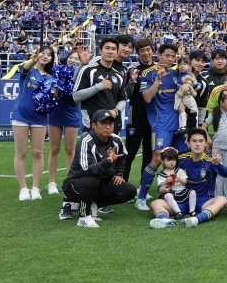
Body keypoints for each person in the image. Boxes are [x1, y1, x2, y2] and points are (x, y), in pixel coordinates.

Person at [59, 109, 137, 228]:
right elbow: (88, 170)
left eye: (110, 124)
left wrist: (119, 174)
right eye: (103, 124)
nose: (108, 127)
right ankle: (84, 216)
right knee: (92, 179)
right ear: (93, 125)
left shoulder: (116, 139)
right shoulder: (86, 141)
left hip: (100, 181)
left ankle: (94, 204)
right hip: (76, 184)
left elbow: (122, 157)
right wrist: (107, 162)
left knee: (130, 190)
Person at [148, 129, 227, 228]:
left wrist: (218, 165)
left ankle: (196, 219)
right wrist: (161, 188)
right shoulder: (180, 159)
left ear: (206, 144)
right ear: (188, 143)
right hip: (181, 200)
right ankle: (165, 220)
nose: (197, 144)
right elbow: (165, 175)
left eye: (201, 141)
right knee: (155, 203)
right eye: (194, 141)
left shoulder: (211, 160)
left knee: (222, 200)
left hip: (203, 201)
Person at [135, 43, 182, 209]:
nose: (170, 59)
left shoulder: (177, 73)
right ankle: (141, 198)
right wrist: (158, 79)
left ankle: (176, 194)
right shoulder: (147, 74)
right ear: (159, 54)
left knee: (181, 159)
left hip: (180, 123)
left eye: (173, 57)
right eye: (167, 55)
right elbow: (147, 98)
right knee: (156, 158)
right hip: (161, 123)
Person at [11, 46, 53, 201]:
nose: (45, 56)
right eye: (43, 53)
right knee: (21, 152)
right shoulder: (28, 71)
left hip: (40, 118)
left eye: (49, 55)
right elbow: (25, 67)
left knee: (38, 152)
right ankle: (23, 188)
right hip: (21, 115)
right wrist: (32, 60)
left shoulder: (49, 78)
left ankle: (35, 187)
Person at [46, 49, 83, 197]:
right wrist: (54, 90)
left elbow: (76, 100)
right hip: (55, 113)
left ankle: (70, 181)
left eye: (76, 58)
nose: (73, 60)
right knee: (54, 149)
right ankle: (51, 182)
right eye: (71, 57)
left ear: (80, 62)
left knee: (71, 150)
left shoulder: (80, 76)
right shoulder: (57, 71)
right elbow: (53, 94)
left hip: (71, 113)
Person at [72, 37, 126, 132]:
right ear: (100, 51)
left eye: (113, 49)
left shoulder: (118, 75)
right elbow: (76, 96)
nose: (110, 51)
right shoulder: (88, 70)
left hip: (112, 126)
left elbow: (122, 99)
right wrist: (99, 86)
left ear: (117, 53)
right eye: (107, 48)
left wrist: (116, 111)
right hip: (92, 126)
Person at [122, 38, 156, 184]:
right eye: (142, 51)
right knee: (129, 153)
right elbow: (126, 94)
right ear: (138, 53)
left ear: (152, 50)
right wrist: (132, 81)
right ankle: (122, 186)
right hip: (135, 117)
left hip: (153, 118)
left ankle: (144, 188)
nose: (146, 53)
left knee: (149, 155)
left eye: (148, 49)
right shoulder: (132, 70)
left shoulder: (158, 70)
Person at [153, 148, 195, 218]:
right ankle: (178, 212)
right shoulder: (161, 174)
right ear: (162, 161)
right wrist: (166, 181)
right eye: (169, 160)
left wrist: (180, 180)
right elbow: (160, 186)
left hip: (182, 191)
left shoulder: (179, 170)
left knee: (192, 192)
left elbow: (185, 182)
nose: (172, 162)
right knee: (168, 196)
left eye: (174, 160)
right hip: (171, 193)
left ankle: (192, 211)